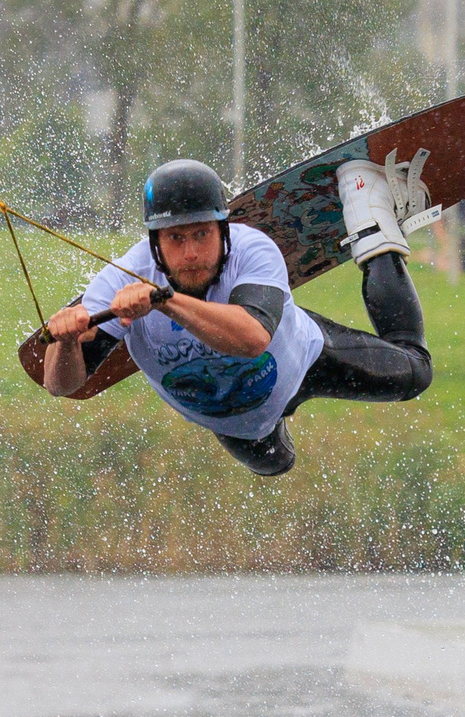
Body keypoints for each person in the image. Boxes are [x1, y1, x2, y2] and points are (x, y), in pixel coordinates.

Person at [38, 156, 431, 477]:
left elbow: (253, 339)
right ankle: (270, 429)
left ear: (222, 229)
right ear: (154, 242)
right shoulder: (120, 279)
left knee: (416, 374)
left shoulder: (252, 249)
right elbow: (60, 384)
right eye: (176, 238)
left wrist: (165, 301)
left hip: (307, 360)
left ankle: (369, 214)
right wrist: (66, 343)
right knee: (276, 464)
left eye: (202, 234)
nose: (191, 253)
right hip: (236, 421)